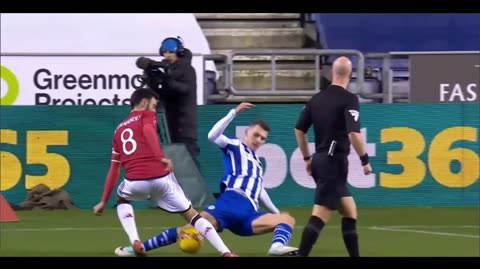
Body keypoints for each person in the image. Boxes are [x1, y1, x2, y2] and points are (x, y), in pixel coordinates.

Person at [113, 102, 299, 257]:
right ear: (247, 133)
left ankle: (276, 248)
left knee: (286, 220)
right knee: (189, 229)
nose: (258, 140)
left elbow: (259, 191)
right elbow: (213, 135)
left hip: (249, 212)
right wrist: (233, 112)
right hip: (231, 203)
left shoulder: (257, 164)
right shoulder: (235, 145)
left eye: (263, 138)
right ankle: (138, 248)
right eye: (256, 135)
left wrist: (276, 212)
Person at [92, 88, 237, 257]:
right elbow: (148, 130)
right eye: (153, 105)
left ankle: (135, 240)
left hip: (135, 182)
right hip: (161, 178)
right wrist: (160, 157)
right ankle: (226, 252)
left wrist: (102, 201)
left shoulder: (117, 131)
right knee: (193, 217)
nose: (154, 109)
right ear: (145, 103)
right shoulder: (147, 115)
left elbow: (114, 169)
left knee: (122, 198)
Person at [293, 56, 372, 257]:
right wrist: (364, 159)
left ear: (331, 74)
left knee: (349, 210)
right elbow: (354, 133)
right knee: (321, 213)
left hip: (320, 159)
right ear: (350, 75)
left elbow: (299, 130)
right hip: (334, 162)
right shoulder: (349, 99)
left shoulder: (316, 98)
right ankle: (302, 254)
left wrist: (307, 158)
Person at [156, 37, 200, 167]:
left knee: (189, 166)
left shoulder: (188, 70)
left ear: (179, 53)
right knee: (178, 167)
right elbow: (165, 94)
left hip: (185, 127)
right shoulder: (170, 70)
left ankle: (198, 188)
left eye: (171, 52)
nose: (167, 55)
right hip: (172, 125)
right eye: (165, 52)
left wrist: (166, 80)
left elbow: (185, 89)